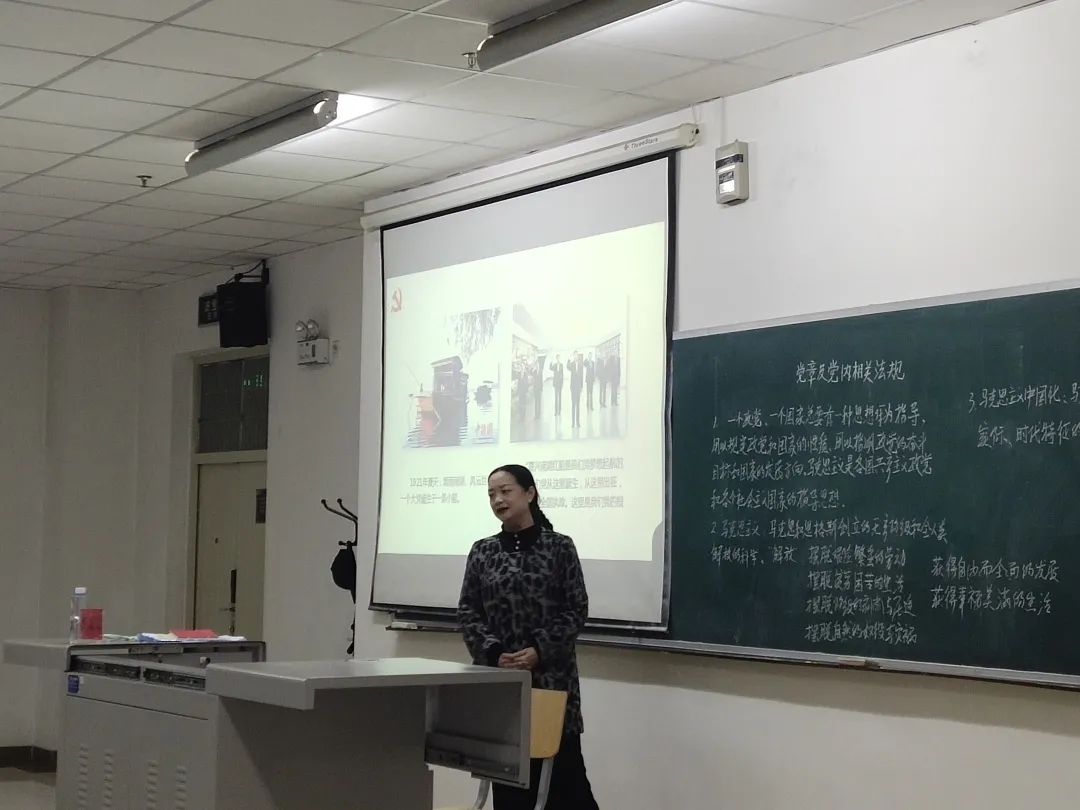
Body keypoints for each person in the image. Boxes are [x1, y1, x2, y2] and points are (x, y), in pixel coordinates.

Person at [459, 465, 599, 810]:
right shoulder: (483, 551)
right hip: (501, 684)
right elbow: (468, 611)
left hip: (552, 683)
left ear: (530, 493)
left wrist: (540, 649)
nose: (498, 499)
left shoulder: (559, 547)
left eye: (506, 491)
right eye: (491, 494)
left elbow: (576, 609)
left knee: (567, 786)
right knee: (510, 788)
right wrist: (493, 653)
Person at [567, 352, 584, 428]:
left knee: (578, 405)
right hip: (573, 387)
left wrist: (581, 386)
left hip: (578, 387)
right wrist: (569, 359)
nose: (576, 356)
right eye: (575, 355)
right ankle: (573, 423)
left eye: (577, 355)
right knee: (573, 405)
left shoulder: (580, 365)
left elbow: (581, 376)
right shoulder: (572, 364)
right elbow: (567, 367)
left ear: (578, 356)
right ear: (573, 356)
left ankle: (578, 422)